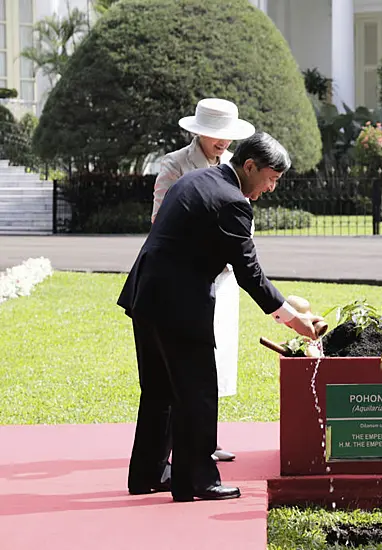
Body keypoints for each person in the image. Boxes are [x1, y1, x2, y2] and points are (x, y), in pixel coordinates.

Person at [118, 132, 324, 502]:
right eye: (272, 178)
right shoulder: (232, 202)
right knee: (197, 391)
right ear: (249, 166)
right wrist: (293, 318)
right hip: (178, 304)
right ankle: (197, 480)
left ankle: (148, 473)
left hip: (145, 296)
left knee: (159, 391)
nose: (272, 188)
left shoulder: (197, 179)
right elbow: (250, 274)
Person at [152, 97, 254, 462]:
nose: (221, 142)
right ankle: (185, 445)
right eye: (215, 135)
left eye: (226, 136)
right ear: (198, 133)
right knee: (185, 364)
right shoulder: (175, 164)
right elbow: (162, 219)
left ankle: (204, 440)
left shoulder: (233, 166)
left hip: (224, 275)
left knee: (217, 358)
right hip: (188, 275)